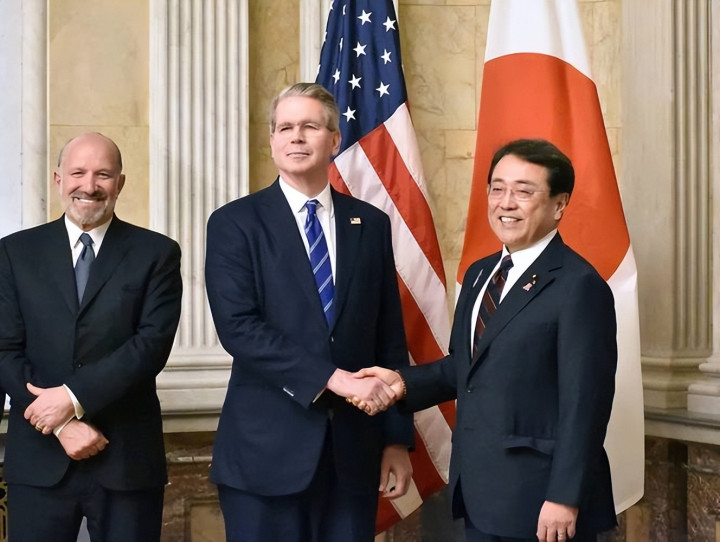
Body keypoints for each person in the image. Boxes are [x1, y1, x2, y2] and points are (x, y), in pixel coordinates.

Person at [355, 139, 618, 542]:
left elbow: (586, 404)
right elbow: (467, 367)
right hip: (480, 493)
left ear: (559, 204)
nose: (506, 203)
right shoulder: (481, 274)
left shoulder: (579, 285)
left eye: (524, 191)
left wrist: (564, 497)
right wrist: (402, 384)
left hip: (541, 502)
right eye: (497, 188)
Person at [204, 82, 414, 542]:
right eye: (285, 128)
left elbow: (388, 337)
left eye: (309, 127)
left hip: (353, 457)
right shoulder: (235, 223)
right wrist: (333, 379)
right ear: (272, 141)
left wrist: (397, 438)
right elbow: (239, 329)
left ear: (334, 140)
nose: (296, 137)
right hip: (264, 458)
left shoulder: (370, 223)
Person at [0, 132, 183, 542]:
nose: (89, 185)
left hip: (126, 458)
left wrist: (71, 398)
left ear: (120, 183)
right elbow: (4, 351)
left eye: (103, 174)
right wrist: (62, 424)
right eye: (78, 173)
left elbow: (150, 346)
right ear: (58, 180)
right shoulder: (14, 253)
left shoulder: (157, 253)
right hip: (39, 459)